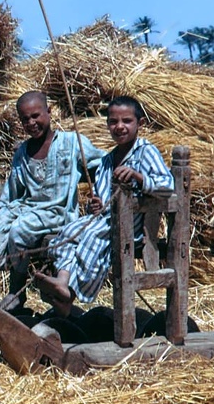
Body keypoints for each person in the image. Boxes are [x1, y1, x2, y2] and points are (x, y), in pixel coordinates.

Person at [33, 95, 174, 317]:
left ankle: (70, 294)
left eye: (126, 121)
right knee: (67, 233)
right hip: (106, 220)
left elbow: (168, 186)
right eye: (113, 122)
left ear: (140, 123)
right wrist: (95, 206)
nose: (119, 127)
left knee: (91, 237)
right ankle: (62, 281)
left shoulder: (146, 152)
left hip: (132, 226)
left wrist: (138, 177)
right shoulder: (107, 161)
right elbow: (102, 199)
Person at [0, 90, 105, 310]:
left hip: (57, 212)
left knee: (19, 230)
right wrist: (2, 214)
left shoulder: (72, 143)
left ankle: (17, 291)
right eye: (25, 119)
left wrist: (100, 194)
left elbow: (103, 165)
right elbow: (13, 190)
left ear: (49, 111)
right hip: (28, 208)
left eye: (36, 116)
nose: (31, 122)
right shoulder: (23, 152)